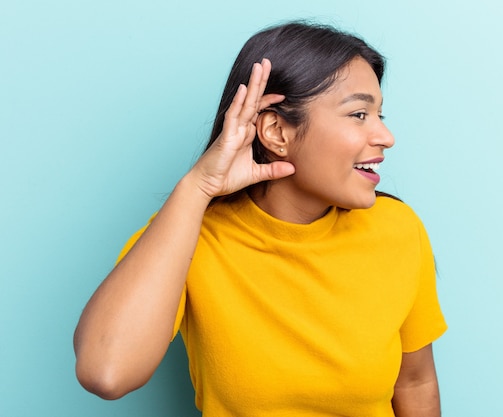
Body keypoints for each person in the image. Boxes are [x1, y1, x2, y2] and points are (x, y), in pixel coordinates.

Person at [73, 20, 447, 417]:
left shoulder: (398, 229)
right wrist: (197, 186)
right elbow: (106, 373)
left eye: (380, 115)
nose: (386, 136)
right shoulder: (188, 238)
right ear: (276, 132)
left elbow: (415, 381)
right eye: (358, 114)